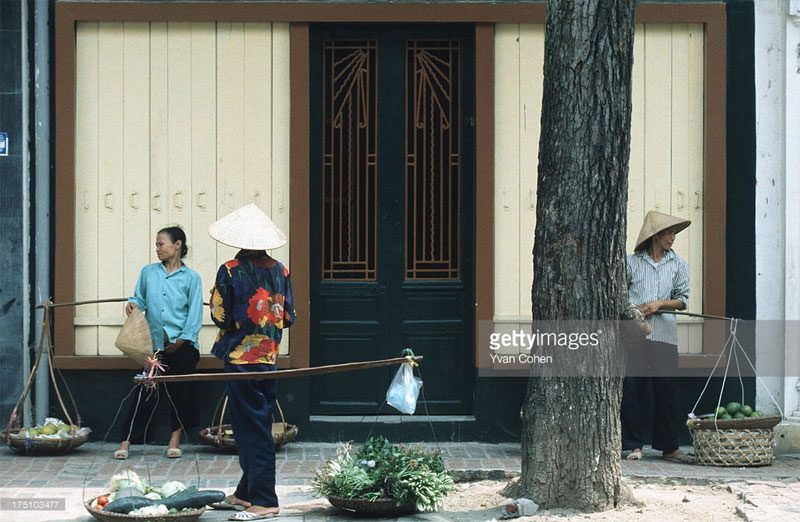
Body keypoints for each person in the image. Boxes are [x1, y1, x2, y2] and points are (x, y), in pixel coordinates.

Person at [208, 203, 295, 520]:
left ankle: (265, 498)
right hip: (268, 357)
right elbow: (287, 318)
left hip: (241, 358)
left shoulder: (230, 270)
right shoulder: (280, 270)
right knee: (250, 423)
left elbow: (219, 315)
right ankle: (246, 492)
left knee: (253, 427)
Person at [114, 226, 204, 460]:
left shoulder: (191, 278)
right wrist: (133, 305)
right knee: (145, 390)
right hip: (154, 346)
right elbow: (139, 298)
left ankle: (174, 440)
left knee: (179, 391)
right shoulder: (148, 272)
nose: (157, 249)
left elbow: (194, 314)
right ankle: (126, 442)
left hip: (182, 344)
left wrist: (183, 339)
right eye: (156, 244)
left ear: (178, 245)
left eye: (161, 243)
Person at [621, 210, 694, 464]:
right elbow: (620, 296)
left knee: (666, 390)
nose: (673, 237)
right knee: (632, 389)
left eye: (674, 233)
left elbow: (683, 300)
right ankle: (633, 445)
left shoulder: (679, 265)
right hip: (635, 336)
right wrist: (636, 311)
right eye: (668, 232)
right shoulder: (630, 263)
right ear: (655, 235)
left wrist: (659, 304)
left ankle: (668, 447)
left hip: (664, 335)